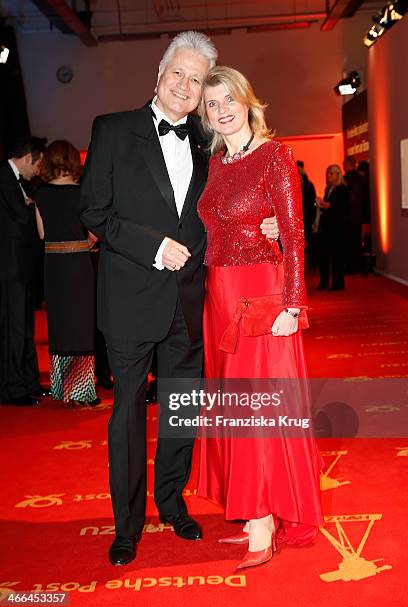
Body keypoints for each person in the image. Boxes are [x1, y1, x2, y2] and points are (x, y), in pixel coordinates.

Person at [79, 31, 278, 567]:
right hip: (129, 299)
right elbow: (94, 213)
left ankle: (171, 502)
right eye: (179, 73)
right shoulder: (113, 130)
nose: (186, 86)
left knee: (181, 413)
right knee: (125, 416)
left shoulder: (207, 139)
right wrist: (152, 247)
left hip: (190, 303)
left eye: (196, 79)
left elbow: (231, 203)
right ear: (159, 72)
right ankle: (127, 525)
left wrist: (265, 223)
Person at [197, 66, 323, 570]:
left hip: (262, 297)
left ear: (248, 101)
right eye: (212, 104)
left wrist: (294, 305)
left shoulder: (276, 156)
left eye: (229, 98)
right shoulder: (217, 164)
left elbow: (293, 234)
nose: (222, 109)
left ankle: (264, 520)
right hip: (220, 297)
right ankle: (253, 509)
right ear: (205, 116)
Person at [34, 141, 99, 407]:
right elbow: (95, 233)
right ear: (74, 162)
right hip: (79, 265)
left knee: (60, 324)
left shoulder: (40, 194)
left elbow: (42, 235)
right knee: (82, 325)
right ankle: (83, 389)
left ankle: (63, 388)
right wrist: (85, 244)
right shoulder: (83, 193)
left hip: (54, 267)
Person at [0, 136, 48, 406]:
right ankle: (13, 388)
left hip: (22, 267)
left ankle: (28, 381)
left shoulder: (21, 182)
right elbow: (20, 216)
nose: (39, 170)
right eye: (38, 163)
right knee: (14, 329)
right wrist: (33, 208)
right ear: (29, 158)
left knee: (25, 328)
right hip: (9, 269)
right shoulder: (4, 176)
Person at [316, 164, 348, 291]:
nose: (328, 176)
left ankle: (337, 283)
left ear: (337, 175)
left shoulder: (342, 189)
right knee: (324, 256)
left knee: (337, 257)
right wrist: (322, 204)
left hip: (337, 228)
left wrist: (328, 205)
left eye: (331, 173)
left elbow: (341, 208)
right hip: (327, 227)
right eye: (328, 173)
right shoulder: (328, 188)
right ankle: (324, 282)